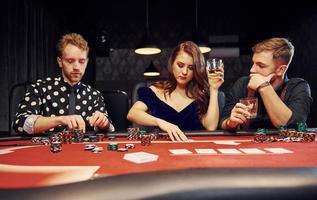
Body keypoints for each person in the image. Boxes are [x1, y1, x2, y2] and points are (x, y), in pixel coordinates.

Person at [13, 33, 114, 134]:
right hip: (46, 148)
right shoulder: (40, 88)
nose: (76, 67)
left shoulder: (94, 95)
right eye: (70, 61)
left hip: (82, 149)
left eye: (81, 61)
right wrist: (60, 119)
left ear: (87, 62)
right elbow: (20, 123)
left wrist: (105, 123)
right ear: (60, 62)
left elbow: (110, 128)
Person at [127, 41, 224, 141]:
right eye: (180, 65)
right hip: (163, 149)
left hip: (192, 148)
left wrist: (214, 89)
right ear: (172, 63)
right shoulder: (157, 90)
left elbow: (211, 127)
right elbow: (133, 113)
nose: (185, 72)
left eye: (190, 68)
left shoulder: (201, 96)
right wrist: (160, 122)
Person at [221, 37, 312, 131]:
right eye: (253, 63)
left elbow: (291, 125)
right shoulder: (242, 83)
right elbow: (223, 122)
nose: (252, 70)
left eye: (261, 65)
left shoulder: (298, 87)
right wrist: (230, 123)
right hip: (249, 144)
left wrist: (264, 86)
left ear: (281, 70)